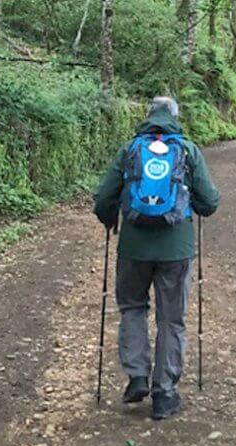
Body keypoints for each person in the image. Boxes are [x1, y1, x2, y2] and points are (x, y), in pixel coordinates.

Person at [93, 96, 220, 420]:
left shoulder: (130, 149)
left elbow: (103, 198)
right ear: (176, 117)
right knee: (171, 319)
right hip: (176, 251)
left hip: (133, 249)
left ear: (148, 116)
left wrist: (111, 219)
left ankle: (137, 375)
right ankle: (164, 393)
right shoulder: (188, 151)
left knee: (133, 308)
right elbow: (209, 202)